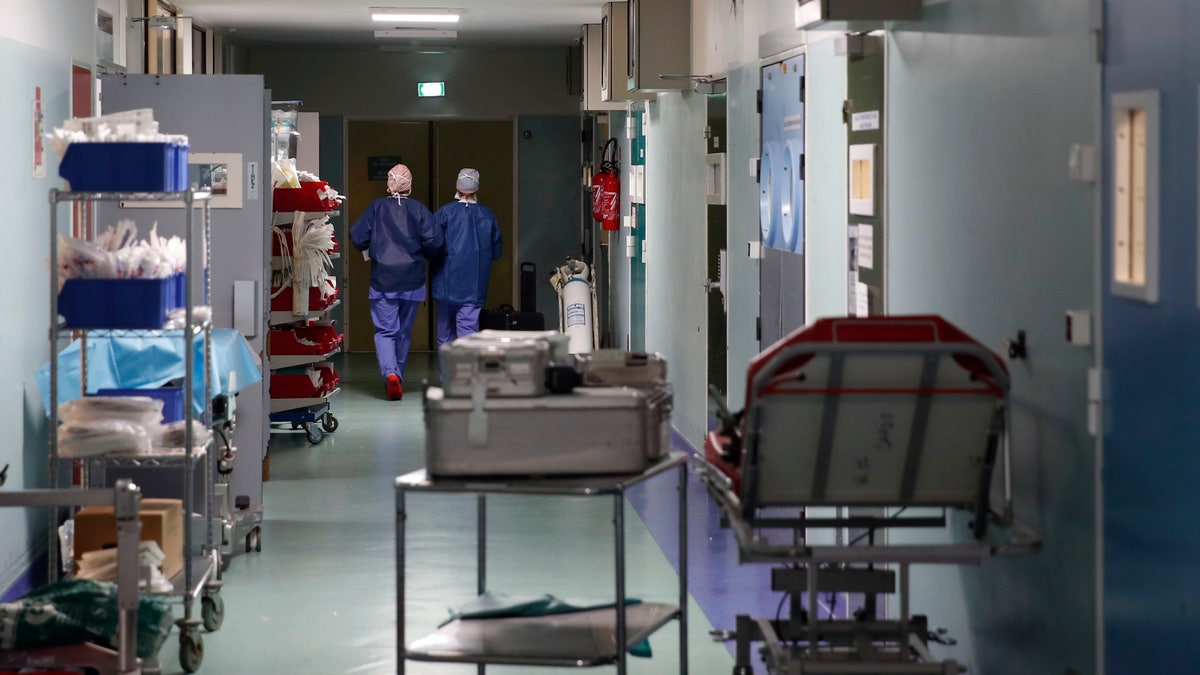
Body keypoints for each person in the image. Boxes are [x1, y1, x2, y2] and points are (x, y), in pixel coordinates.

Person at [350, 164, 443, 400]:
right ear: (409, 185)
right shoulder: (419, 210)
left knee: (385, 331)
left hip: (383, 280)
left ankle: (391, 374)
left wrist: (373, 244)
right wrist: (422, 255)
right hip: (413, 280)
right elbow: (434, 241)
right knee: (403, 332)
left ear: (389, 184)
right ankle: (397, 375)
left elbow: (358, 237)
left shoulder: (376, 208)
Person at [431, 168, 502, 374]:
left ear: (457, 186)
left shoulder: (444, 213)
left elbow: (432, 245)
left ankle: (447, 378)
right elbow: (496, 252)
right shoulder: (488, 216)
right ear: (477, 188)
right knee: (468, 333)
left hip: (445, 283)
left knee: (445, 334)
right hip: (474, 284)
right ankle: (465, 378)